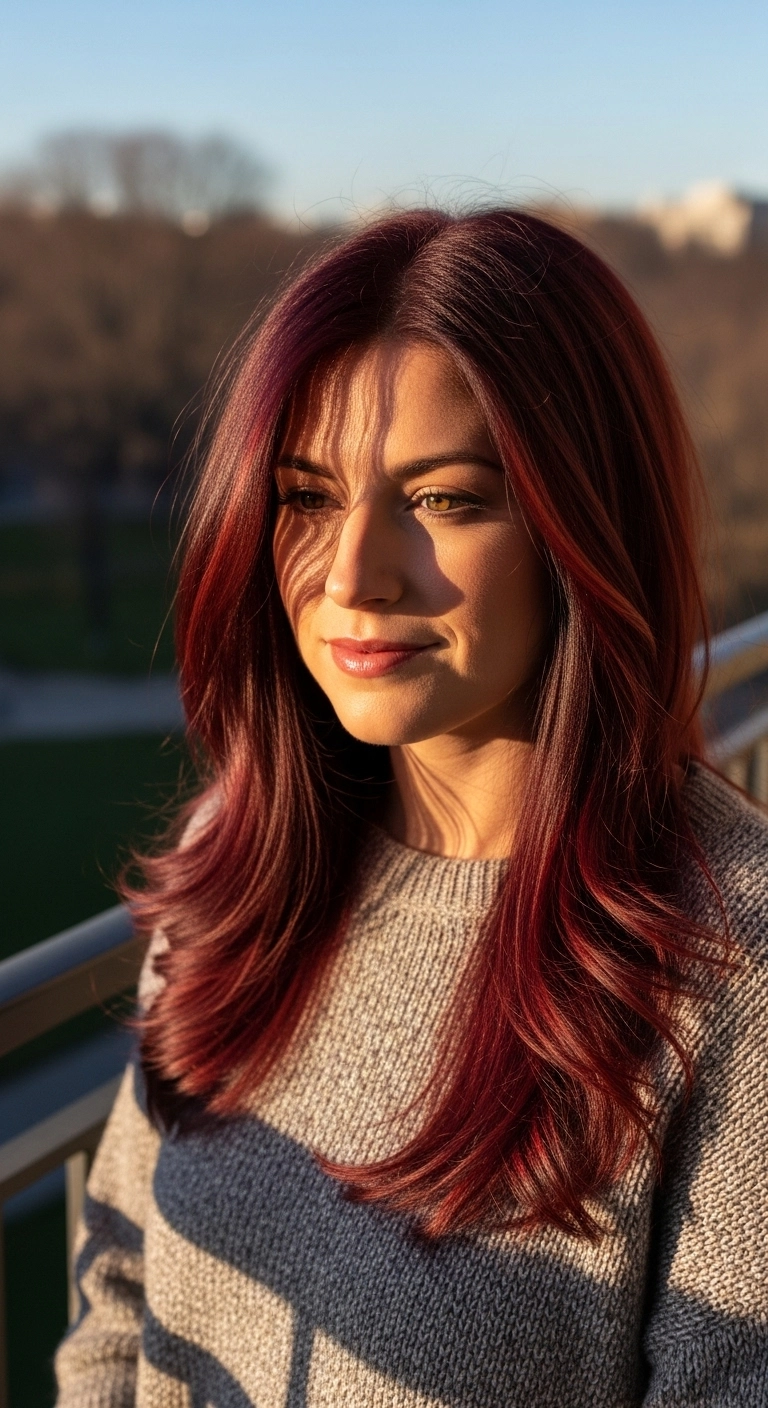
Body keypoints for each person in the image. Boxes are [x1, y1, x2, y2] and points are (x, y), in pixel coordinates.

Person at [55, 208, 768, 1408]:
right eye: (307, 496)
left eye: (441, 500)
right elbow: (120, 1286)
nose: (351, 576)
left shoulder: (727, 962)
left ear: (582, 526)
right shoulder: (237, 858)